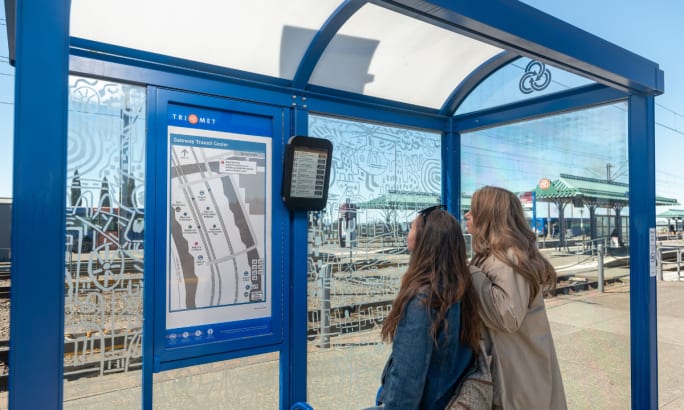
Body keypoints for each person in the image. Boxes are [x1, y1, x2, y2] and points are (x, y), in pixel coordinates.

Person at [464, 186, 567, 410]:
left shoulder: (510, 257)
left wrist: (470, 273)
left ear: (489, 215)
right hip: (519, 378)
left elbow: (507, 315)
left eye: (473, 210)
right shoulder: (496, 256)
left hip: (519, 386)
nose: (466, 215)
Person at [376, 205, 482, 409]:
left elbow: (407, 377)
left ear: (424, 240)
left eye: (411, 227)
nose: (408, 232)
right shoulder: (461, 290)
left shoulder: (423, 299)